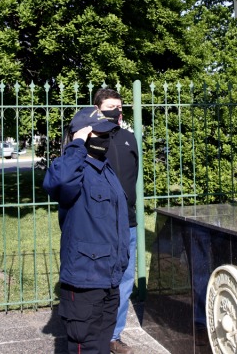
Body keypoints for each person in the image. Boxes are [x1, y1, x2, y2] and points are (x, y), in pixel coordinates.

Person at [44, 107, 130, 354]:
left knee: (102, 347)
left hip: (109, 277)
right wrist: (76, 144)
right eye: (98, 133)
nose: (106, 138)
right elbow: (58, 182)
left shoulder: (105, 168)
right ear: (81, 135)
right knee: (87, 348)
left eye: (108, 133)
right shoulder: (73, 170)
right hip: (85, 282)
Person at [92, 89, 140, 354]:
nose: (117, 111)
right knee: (99, 278)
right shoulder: (91, 139)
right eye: (111, 106)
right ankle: (94, 332)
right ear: (98, 109)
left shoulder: (129, 138)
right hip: (100, 223)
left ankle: (113, 335)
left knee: (124, 278)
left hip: (128, 223)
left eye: (119, 106)